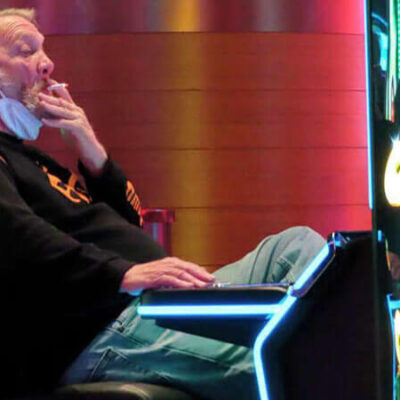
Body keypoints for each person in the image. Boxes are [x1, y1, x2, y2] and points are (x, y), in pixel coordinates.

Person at [0, 8, 325, 400]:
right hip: (96, 327)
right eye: (26, 50)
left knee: (294, 247)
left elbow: (127, 223)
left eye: (44, 50)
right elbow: (17, 237)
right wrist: (122, 274)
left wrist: (89, 147)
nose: (47, 63)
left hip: (147, 303)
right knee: (291, 358)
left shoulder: (35, 161)